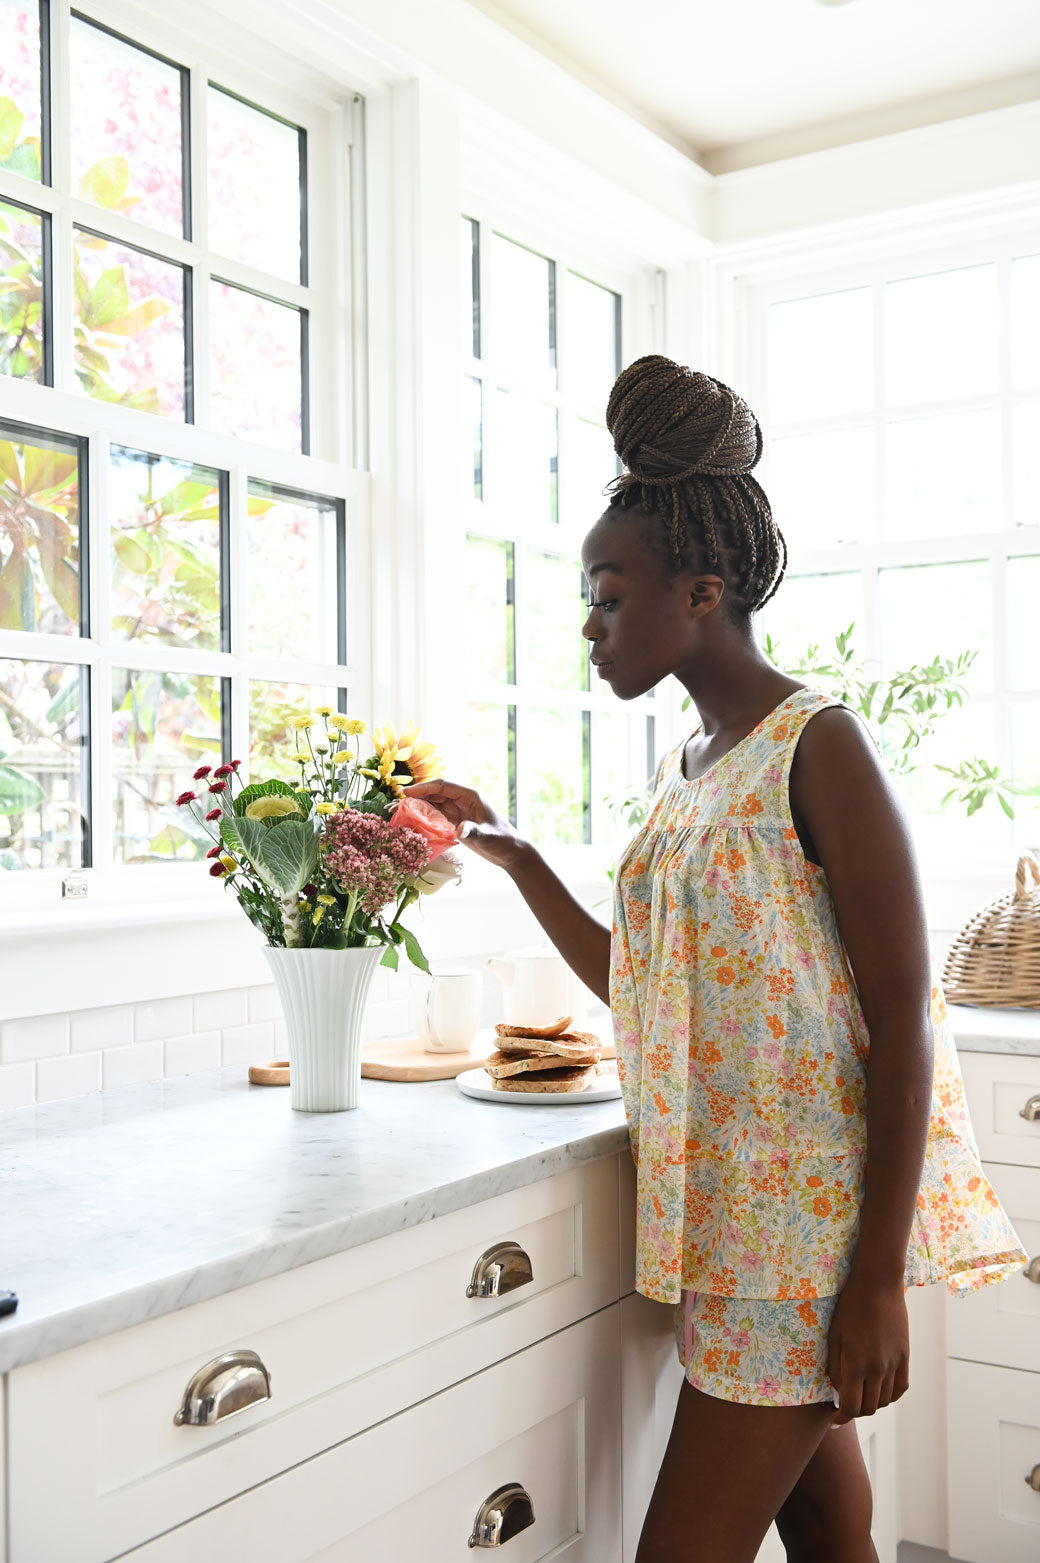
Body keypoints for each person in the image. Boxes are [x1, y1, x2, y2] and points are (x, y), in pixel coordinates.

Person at [410, 355, 1026, 1563]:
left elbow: (907, 1020)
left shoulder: (819, 745)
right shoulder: (692, 768)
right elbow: (643, 994)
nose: (587, 626)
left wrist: (874, 1284)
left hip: (802, 1244)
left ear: (698, 592)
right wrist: (513, 852)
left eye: (605, 595)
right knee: (830, 1528)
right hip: (728, 1227)